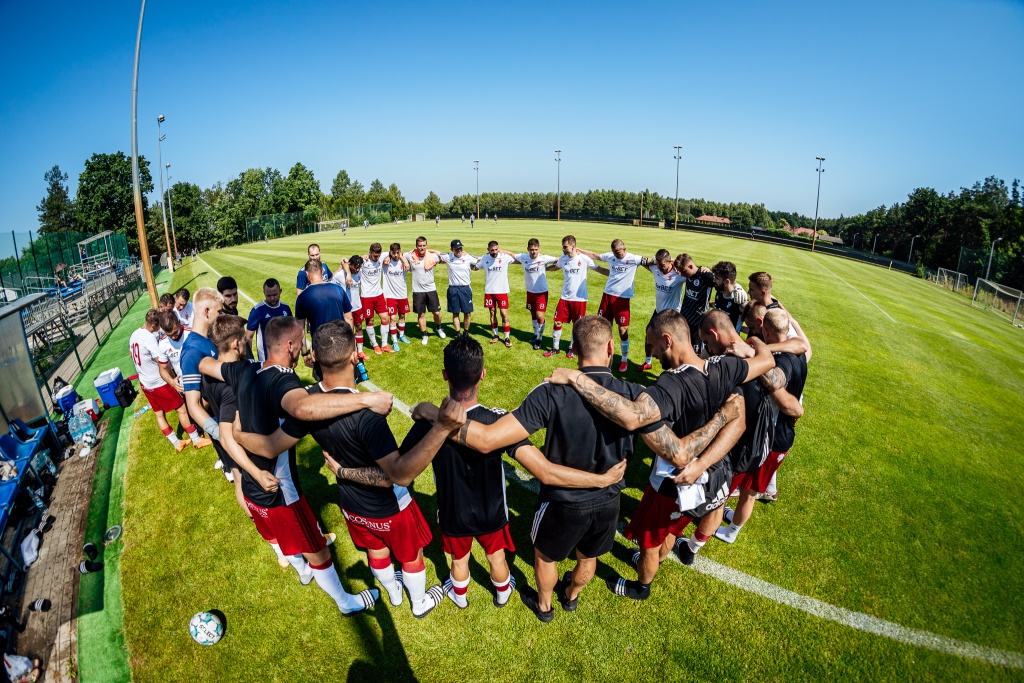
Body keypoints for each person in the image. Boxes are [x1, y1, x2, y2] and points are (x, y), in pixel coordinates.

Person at [231, 320, 465, 618]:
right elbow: (400, 474)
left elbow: (270, 445)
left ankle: (393, 595)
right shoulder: (368, 416)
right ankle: (418, 603)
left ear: (314, 357)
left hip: (352, 506)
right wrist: (441, 427)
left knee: (376, 552)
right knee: (411, 556)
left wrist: (237, 436)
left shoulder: (310, 399)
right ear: (356, 356)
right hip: (390, 508)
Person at [546, 310, 774, 597]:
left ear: (668, 340)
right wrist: (753, 340)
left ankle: (642, 586)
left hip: (671, 484)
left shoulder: (671, 385)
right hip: (712, 475)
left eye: (652, 347)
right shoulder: (723, 366)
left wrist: (578, 379)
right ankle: (657, 561)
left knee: (649, 541)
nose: (651, 354)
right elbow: (766, 360)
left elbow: (631, 417)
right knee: (671, 530)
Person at [430, 316, 642, 622]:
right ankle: (571, 597)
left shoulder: (549, 391)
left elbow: (490, 439)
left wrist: (432, 414)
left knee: (545, 557)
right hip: (609, 499)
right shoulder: (635, 395)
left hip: (563, 502)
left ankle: (544, 606)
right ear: (612, 347)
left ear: (573, 347)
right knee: (588, 557)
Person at [201, 317, 393, 616]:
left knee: (279, 538)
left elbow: (204, 365)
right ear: (289, 346)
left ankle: (302, 572)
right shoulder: (283, 379)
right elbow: (304, 408)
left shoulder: (243, 368)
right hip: (281, 493)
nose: (303, 348)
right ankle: (345, 603)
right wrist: (367, 400)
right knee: (319, 551)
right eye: (300, 342)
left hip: (253, 490)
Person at [716, 308, 807, 543]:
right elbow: (804, 345)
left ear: (765, 330)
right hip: (780, 434)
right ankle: (730, 518)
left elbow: (777, 386)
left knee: (749, 492)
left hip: (771, 438)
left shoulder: (782, 362)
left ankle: (731, 532)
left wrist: (752, 356)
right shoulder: (797, 351)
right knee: (747, 487)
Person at [129, 309, 211, 453]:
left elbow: (133, 357)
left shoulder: (134, 334)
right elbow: (162, 363)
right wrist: (172, 379)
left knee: (159, 414)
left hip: (144, 382)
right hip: (158, 382)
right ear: (156, 326)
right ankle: (197, 439)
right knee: (183, 409)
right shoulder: (151, 339)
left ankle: (176, 442)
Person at [578, 240, 648, 373]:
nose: (616, 255)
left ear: (624, 249)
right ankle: (606, 358)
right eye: (614, 252)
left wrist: (671, 261)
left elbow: (652, 261)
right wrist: (579, 250)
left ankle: (624, 359)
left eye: (618, 252)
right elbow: (594, 255)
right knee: (603, 327)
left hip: (622, 298)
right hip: (607, 296)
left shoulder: (633, 259)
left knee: (622, 330)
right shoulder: (610, 256)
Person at [544, 235, 606, 359]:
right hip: (565, 297)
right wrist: (542, 269)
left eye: (565, 247)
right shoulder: (563, 258)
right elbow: (556, 267)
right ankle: (555, 348)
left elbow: (598, 269)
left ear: (573, 246)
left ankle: (571, 348)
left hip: (580, 299)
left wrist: (614, 273)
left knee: (577, 325)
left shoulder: (584, 259)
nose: (563, 249)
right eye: (563, 247)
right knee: (557, 321)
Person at [179, 288, 224, 447]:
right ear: (207, 311)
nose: (221, 315)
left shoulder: (209, 337)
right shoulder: (192, 351)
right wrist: (220, 435)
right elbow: (193, 405)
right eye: (219, 311)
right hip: (222, 426)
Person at [294, 259, 353, 381]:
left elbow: (300, 329)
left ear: (307, 274)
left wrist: (304, 352)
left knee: (325, 385)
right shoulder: (338, 289)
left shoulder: (302, 297)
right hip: (342, 345)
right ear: (322, 270)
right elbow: (349, 318)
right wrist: (352, 347)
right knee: (345, 383)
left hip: (320, 348)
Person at [641, 249, 686, 371]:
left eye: (663, 265)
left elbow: (695, 271)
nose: (660, 267)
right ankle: (648, 362)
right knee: (648, 335)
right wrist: (654, 261)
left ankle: (672, 369)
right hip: (658, 311)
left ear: (669, 262)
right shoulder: (655, 268)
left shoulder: (679, 274)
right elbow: (641, 261)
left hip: (672, 315)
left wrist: (676, 263)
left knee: (669, 344)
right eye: (658, 264)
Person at [512, 238, 558, 350]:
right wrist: (499, 251)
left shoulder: (544, 258)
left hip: (541, 292)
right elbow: (511, 254)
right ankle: (536, 334)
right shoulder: (523, 257)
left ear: (539, 249)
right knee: (532, 314)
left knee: (539, 315)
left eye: (536, 249)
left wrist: (549, 268)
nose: (534, 252)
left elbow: (559, 260)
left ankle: (539, 339)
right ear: (527, 249)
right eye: (531, 249)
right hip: (530, 292)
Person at [353, 243, 394, 354]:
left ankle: (384, 344)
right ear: (370, 252)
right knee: (370, 320)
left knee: (385, 318)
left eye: (378, 255)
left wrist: (390, 258)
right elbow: (349, 263)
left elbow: (395, 252)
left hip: (379, 294)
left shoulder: (382, 256)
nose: (376, 258)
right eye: (374, 255)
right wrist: (362, 256)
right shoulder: (364, 262)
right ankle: (375, 345)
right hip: (366, 296)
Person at [405, 237, 447, 345]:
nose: (422, 248)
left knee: (436, 313)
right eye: (420, 246)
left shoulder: (432, 256)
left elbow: (447, 256)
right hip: (418, 291)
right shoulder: (410, 256)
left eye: (424, 245)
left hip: (431, 289)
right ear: (416, 246)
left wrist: (434, 251)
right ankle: (424, 334)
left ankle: (438, 328)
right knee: (421, 314)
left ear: (426, 245)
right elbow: (397, 254)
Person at [478, 241, 516, 347]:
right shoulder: (485, 259)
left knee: (504, 313)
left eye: (496, 249)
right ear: (488, 250)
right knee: (492, 313)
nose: (494, 252)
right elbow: (476, 267)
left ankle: (507, 337)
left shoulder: (505, 257)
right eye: (492, 250)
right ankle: (495, 335)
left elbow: (516, 257)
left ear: (498, 249)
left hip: (502, 290)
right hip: (489, 291)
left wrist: (504, 251)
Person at [245, 278, 292, 362]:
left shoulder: (286, 309)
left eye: (275, 294)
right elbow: (248, 337)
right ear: (264, 293)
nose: (272, 298)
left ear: (280, 291)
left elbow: (291, 333)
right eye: (269, 296)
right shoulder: (257, 311)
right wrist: (249, 360)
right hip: (266, 361)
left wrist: (292, 357)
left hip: (285, 359)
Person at [676, 254, 714, 354]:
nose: (682, 274)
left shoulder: (705, 276)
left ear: (691, 266)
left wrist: (737, 288)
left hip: (699, 322)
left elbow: (722, 281)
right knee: (682, 349)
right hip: (685, 318)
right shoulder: (688, 274)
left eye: (683, 271)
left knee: (697, 353)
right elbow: (667, 261)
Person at [438, 240, 478, 334]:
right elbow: (436, 252)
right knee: (455, 313)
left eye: (460, 248)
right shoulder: (448, 257)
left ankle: (466, 333)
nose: (459, 250)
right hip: (453, 288)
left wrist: (468, 254)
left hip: (465, 288)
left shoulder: (467, 257)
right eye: (456, 249)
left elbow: (479, 259)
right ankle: (458, 333)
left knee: (467, 313)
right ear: (452, 249)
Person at [381, 243, 412, 349]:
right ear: (390, 252)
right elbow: (378, 255)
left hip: (402, 294)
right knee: (393, 318)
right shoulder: (385, 262)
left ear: (400, 251)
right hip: (390, 295)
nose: (395, 255)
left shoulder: (403, 261)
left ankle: (402, 336)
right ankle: (394, 340)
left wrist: (402, 258)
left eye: (397, 252)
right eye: (393, 253)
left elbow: (408, 266)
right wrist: (387, 256)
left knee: (402, 316)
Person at [336, 256, 368, 359]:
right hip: (345, 309)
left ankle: (360, 351)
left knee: (359, 327)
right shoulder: (340, 275)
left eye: (359, 267)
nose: (357, 270)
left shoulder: (359, 272)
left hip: (357, 306)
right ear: (350, 265)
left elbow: (365, 257)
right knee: (346, 330)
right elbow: (330, 282)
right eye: (355, 267)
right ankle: (348, 352)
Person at [711, 261, 749, 334]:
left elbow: (755, 327)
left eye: (717, 278)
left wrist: (739, 329)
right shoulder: (720, 292)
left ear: (726, 282)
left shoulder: (739, 301)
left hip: (730, 343)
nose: (714, 280)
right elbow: (717, 306)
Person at [157, 310, 190, 384]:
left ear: (179, 322)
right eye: (169, 335)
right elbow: (162, 368)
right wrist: (172, 382)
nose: (173, 337)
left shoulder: (192, 334)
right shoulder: (163, 343)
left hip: (202, 384)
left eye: (175, 332)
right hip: (184, 387)